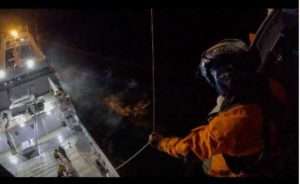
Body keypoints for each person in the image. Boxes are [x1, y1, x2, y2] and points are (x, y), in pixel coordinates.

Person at [149, 39, 288, 177]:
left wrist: (161, 143)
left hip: (248, 164)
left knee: (208, 164)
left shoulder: (227, 126)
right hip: (272, 144)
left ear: (222, 79)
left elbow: (188, 148)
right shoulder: (270, 85)